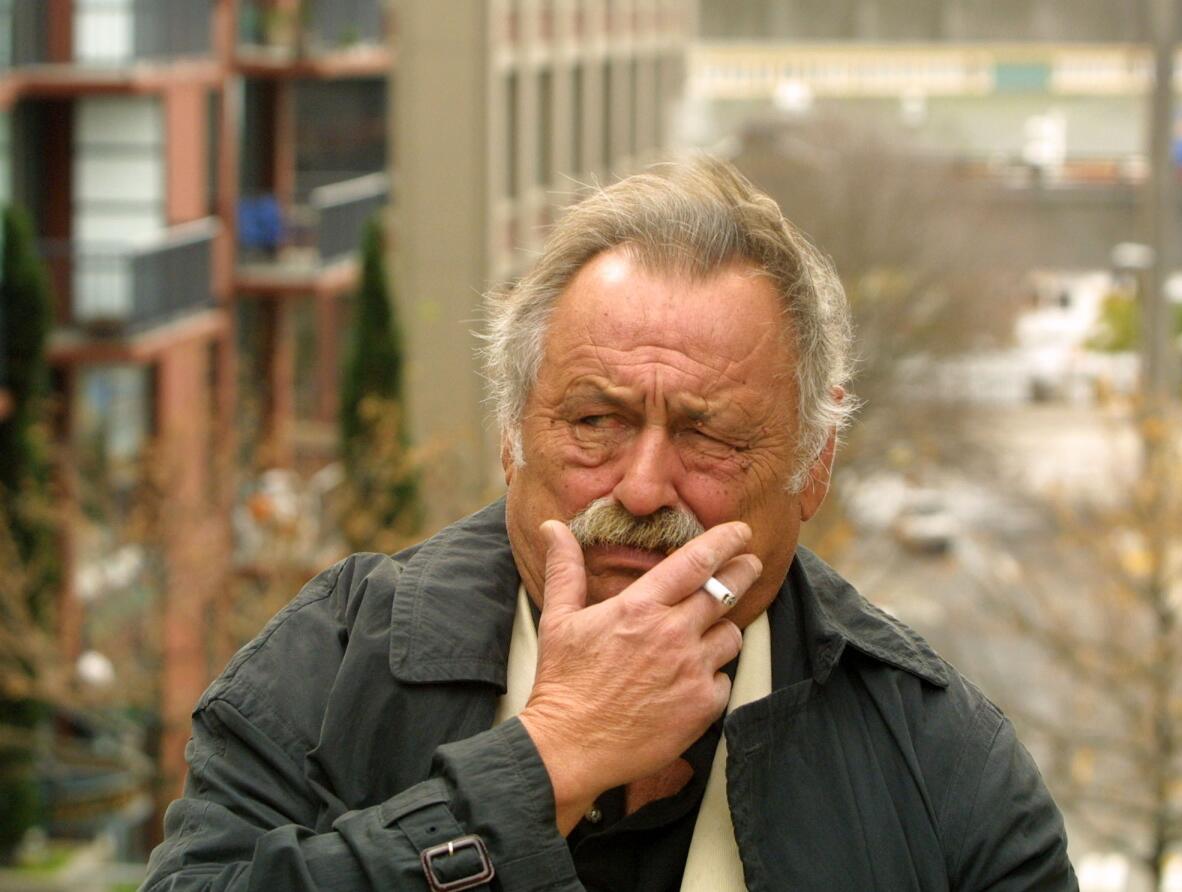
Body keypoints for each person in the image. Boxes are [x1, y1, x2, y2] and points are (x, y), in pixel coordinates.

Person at [142, 158, 1077, 891]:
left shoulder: (939, 760)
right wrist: (543, 763)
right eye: (595, 422)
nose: (638, 489)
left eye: (708, 436)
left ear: (813, 469)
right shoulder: (334, 665)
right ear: (513, 437)